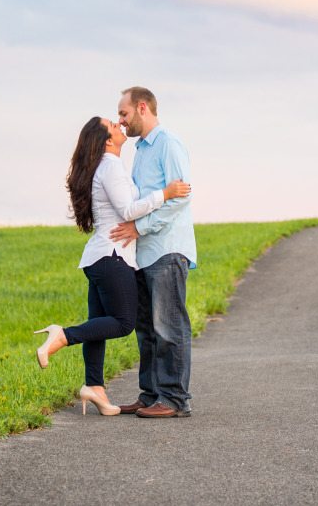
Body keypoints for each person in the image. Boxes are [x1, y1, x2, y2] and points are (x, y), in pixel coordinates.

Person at [32, 116, 190, 416]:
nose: (120, 126)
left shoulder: (100, 168)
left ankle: (95, 388)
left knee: (98, 327)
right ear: (107, 140)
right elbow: (129, 210)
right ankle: (62, 335)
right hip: (113, 257)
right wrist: (165, 194)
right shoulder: (112, 166)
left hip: (98, 257)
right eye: (113, 126)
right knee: (123, 323)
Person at [109, 87, 197, 419]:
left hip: (166, 250)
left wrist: (139, 228)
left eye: (124, 113)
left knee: (168, 326)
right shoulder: (141, 151)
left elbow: (180, 197)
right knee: (146, 329)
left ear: (142, 107)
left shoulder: (169, 144)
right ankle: (150, 395)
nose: (121, 121)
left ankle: (174, 399)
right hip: (143, 254)